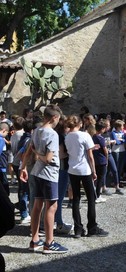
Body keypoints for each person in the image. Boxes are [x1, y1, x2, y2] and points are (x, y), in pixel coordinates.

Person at [20, 104, 68, 254]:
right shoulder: (52, 134)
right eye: (58, 118)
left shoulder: (37, 131)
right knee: (51, 207)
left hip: (36, 172)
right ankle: (49, 243)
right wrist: (38, 155)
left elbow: (27, 152)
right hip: (49, 173)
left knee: (37, 205)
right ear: (54, 117)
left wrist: (23, 168)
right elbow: (48, 158)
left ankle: (34, 241)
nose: (58, 121)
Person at [65, 115, 107, 238]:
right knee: (91, 199)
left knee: (76, 199)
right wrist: (94, 171)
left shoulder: (67, 137)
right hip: (84, 169)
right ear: (80, 124)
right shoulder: (84, 135)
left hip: (72, 169)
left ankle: (78, 229)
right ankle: (92, 228)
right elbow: (90, 156)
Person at [0, 123, 10, 195]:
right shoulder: (1, 140)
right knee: (4, 184)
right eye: (6, 133)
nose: (6, 135)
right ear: (3, 130)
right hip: (1, 166)